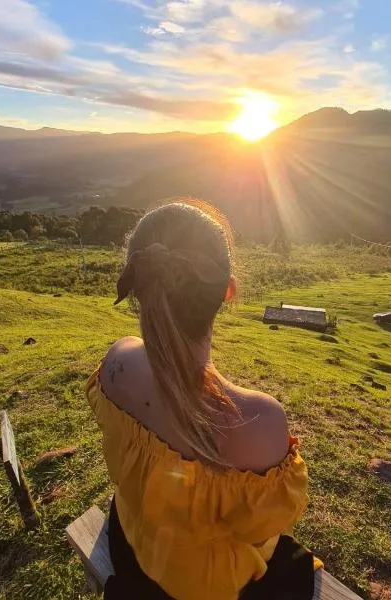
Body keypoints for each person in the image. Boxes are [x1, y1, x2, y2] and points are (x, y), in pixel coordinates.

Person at [86, 200, 319, 600]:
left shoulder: (116, 362)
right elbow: (260, 528)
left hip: (134, 544)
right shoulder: (258, 420)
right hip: (209, 587)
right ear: (228, 292)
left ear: (138, 285)